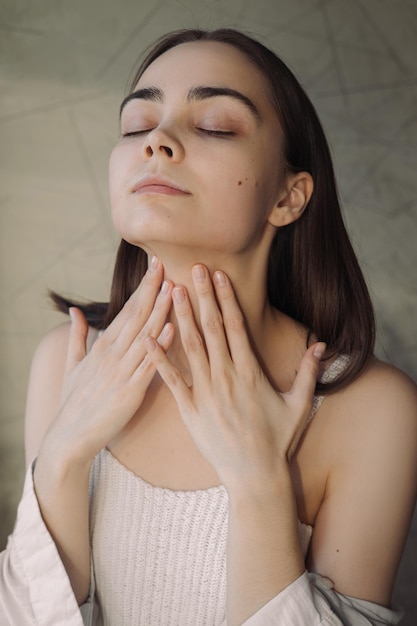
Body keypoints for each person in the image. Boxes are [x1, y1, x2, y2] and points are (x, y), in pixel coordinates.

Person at [1, 27, 416, 626]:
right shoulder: (65, 363)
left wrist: (260, 488)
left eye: (216, 126)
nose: (158, 142)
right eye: (137, 125)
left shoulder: (373, 409)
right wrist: (63, 457)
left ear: (288, 196)